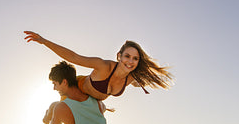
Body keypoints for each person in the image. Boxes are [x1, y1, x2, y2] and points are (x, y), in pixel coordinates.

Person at [24, 31, 174, 100]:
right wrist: (44, 41)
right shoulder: (103, 66)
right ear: (119, 56)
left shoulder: (131, 79)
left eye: (135, 58)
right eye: (127, 56)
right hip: (77, 89)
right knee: (59, 108)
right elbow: (74, 57)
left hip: (93, 102)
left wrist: (142, 81)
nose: (130, 61)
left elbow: (136, 83)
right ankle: (49, 113)